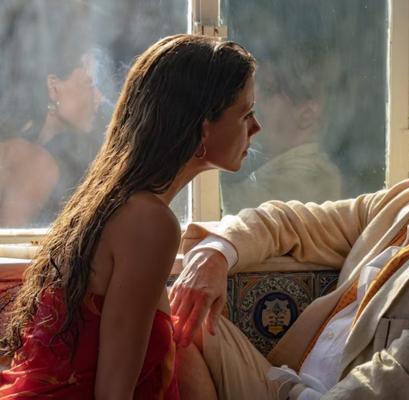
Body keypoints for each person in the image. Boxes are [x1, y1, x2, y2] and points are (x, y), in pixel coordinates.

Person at [171, 42, 409, 399]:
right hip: (286, 385)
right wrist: (217, 253)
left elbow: (400, 383)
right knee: (171, 312)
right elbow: (290, 222)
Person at [0, 34, 260, 399]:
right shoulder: (150, 223)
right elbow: (114, 392)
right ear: (203, 127)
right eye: (245, 114)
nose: (256, 128)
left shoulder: (119, 203)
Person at [220, 0, 342, 215]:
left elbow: (217, 210)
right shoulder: (281, 170)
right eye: (253, 89)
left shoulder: (307, 182)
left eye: (268, 90)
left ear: (306, 114)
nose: (253, 101)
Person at [0, 2, 104, 227]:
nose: (99, 97)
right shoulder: (37, 162)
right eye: (88, 83)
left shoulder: (22, 145)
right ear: (54, 87)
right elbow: (11, 240)